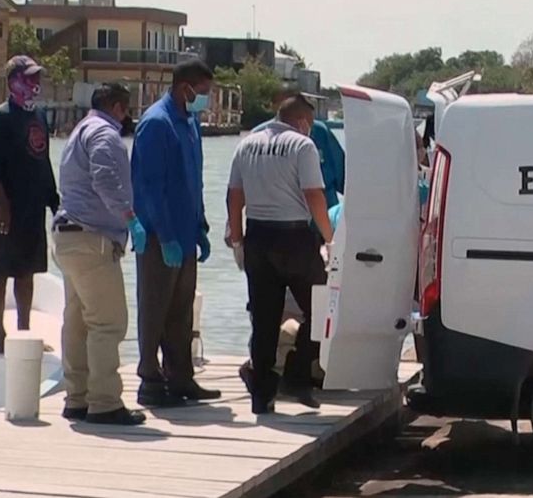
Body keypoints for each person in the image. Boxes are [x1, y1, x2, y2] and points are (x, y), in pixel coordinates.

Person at [227, 94, 334, 414]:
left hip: (258, 236)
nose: (310, 130)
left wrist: (236, 239)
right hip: (295, 238)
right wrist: (330, 238)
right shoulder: (302, 146)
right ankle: (298, 374)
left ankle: (262, 393)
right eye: (310, 125)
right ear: (302, 121)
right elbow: (314, 195)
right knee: (322, 308)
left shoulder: (247, 144)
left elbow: (234, 196)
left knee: (264, 319)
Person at [52, 83, 147, 425]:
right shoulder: (105, 135)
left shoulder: (78, 131)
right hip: (94, 239)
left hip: (67, 236)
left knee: (76, 323)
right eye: (127, 108)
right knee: (108, 323)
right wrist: (130, 219)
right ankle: (105, 402)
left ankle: (77, 397)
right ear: (117, 107)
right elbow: (107, 180)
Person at [131, 60, 221, 407]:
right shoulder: (157, 123)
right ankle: (150, 380)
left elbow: (193, 179)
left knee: (181, 310)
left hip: (185, 233)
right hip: (160, 236)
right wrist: (165, 235)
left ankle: (180, 377)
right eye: (203, 92)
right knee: (155, 308)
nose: (206, 99)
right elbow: (150, 187)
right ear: (186, 88)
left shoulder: (189, 122)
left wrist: (200, 226)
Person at [0, 55, 59, 356]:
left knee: (28, 271)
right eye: (29, 78)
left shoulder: (39, 114)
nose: (35, 83)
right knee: (2, 269)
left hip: (33, 206)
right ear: (13, 81)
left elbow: (43, 160)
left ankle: (24, 332)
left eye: (37, 77)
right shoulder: (0, 117)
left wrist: (54, 201)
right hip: (7, 208)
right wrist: (2, 205)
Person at [252, 89, 345, 209]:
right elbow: (241, 189)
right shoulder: (257, 137)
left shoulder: (320, 132)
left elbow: (345, 180)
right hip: (279, 216)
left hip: (324, 213)